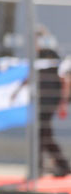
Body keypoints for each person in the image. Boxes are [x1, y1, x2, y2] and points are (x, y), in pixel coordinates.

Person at [33, 27, 70, 177]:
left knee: (43, 133)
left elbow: (65, 79)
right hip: (43, 101)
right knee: (44, 134)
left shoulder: (49, 55)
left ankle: (41, 167)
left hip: (49, 101)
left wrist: (63, 102)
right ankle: (60, 165)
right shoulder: (41, 55)